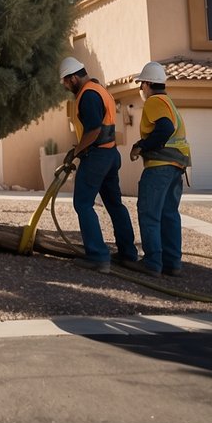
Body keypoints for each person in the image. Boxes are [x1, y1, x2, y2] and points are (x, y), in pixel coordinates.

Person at [59, 56, 139, 273]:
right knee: (115, 205)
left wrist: (76, 151)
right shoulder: (99, 89)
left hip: (97, 157)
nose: (66, 86)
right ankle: (128, 255)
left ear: (73, 77)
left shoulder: (89, 95)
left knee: (83, 204)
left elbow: (94, 130)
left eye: (66, 81)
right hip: (110, 155)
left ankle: (97, 257)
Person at [125, 61, 191, 278]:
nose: (140, 90)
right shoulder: (169, 103)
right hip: (176, 167)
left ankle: (152, 262)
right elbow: (167, 130)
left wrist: (141, 146)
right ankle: (172, 263)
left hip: (159, 168)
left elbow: (164, 129)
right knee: (169, 214)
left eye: (140, 85)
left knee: (149, 213)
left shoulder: (154, 101)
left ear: (146, 84)